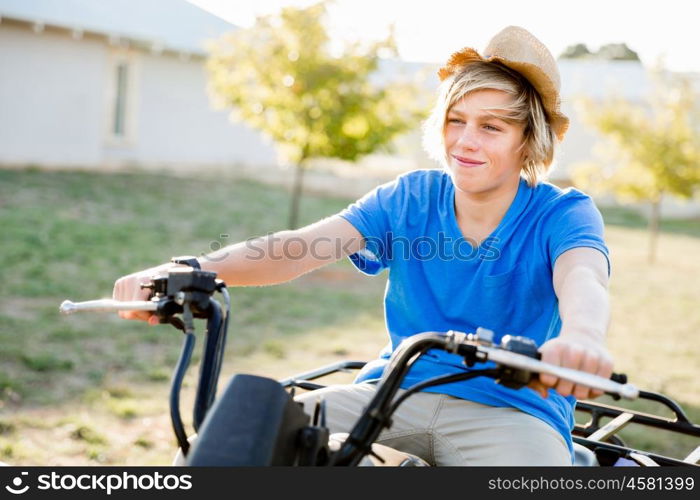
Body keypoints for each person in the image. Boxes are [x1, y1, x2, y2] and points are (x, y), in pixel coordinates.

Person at [113, 26, 613, 466]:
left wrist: (583, 338)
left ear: (529, 140)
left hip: (514, 410)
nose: (465, 141)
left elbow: (582, 277)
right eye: (455, 120)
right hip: (393, 394)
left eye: (491, 127)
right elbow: (301, 246)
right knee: (221, 446)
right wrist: (189, 269)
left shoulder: (562, 213)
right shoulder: (411, 197)